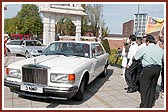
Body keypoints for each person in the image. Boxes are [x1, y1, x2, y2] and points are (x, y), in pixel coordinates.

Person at [134, 34, 164, 108]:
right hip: (157, 69)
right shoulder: (160, 49)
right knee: (152, 87)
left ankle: (144, 104)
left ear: (147, 42)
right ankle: (150, 104)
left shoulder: (145, 49)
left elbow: (136, 58)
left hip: (148, 69)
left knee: (144, 87)